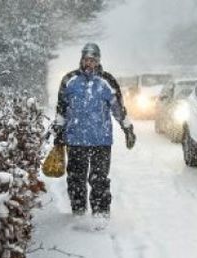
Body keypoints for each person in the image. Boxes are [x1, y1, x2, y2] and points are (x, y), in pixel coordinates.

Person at [53, 42, 136, 218]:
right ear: (81, 60)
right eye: (86, 59)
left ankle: (101, 214)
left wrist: (128, 128)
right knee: (76, 179)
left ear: (98, 61)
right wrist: (59, 130)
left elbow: (118, 109)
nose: (89, 63)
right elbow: (61, 109)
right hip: (75, 140)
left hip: (101, 140)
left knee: (100, 180)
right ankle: (79, 212)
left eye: (93, 60)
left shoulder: (107, 81)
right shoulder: (69, 80)